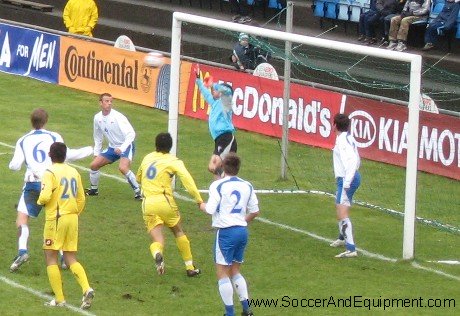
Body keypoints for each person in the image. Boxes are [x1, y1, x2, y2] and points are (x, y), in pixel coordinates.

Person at [8, 108, 92, 272]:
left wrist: (21, 164)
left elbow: (15, 165)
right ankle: (62, 257)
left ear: (31, 121)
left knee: (22, 219)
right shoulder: (54, 137)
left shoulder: (23, 140)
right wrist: (90, 150)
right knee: (57, 219)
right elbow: (68, 155)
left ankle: (22, 251)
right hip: (53, 182)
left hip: (33, 184)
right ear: (46, 121)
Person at [199, 153, 260, 316]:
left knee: (222, 272)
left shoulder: (218, 185)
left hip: (226, 233)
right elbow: (255, 211)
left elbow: (210, 209)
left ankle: (229, 313)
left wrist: (202, 205)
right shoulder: (247, 185)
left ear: (223, 167)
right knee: (235, 270)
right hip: (242, 231)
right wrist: (242, 221)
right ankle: (247, 310)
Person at [136, 132, 203, 277]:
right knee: (178, 230)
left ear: (156, 145)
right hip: (165, 201)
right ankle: (190, 267)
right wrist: (198, 199)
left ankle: (157, 253)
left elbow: (138, 178)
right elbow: (187, 179)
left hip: (148, 203)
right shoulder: (173, 161)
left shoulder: (147, 157)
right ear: (170, 147)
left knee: (158, 239)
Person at [37, 142, 94, 309]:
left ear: (50, 155)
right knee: (70, 257)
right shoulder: (74, 171)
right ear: (65, 155)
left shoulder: (50, 172)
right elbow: (82, 198)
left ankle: (60, 299)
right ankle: (86, 288)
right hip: (72, 217)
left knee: (50, 256)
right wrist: (75, 212)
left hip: (56, 218)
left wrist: (39, 201)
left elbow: (46, 195)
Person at [86, 93, 142, 199]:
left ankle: (138, 191)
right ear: (100, 103)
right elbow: (97, 137)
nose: (109, 103)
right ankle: (94, 190)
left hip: (126, 146)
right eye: (106, 101)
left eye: (111, 101)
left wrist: (122, 148)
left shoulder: (118, 117)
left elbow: (131, 134)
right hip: (112, 147)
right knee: (94, 165)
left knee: (123, 167)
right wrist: (96, 153)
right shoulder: (97, 118)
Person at [195, 66, 237, 179]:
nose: (213, 91)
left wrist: (214, 84)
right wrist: (198, 78)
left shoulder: (226, 101)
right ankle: (219, 191)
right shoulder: (215, 103)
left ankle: (226, 181)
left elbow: (228, 90)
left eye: (216, 90)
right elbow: (205, 92)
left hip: (226, 138)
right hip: (219, 140)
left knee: (215, 166)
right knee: (213, 168)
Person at [329, 113, 361, 258]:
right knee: (339, 206)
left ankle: (351, 248)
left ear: (335, 125)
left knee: (342, 212)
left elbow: (353, 160)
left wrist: (347, 182)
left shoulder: (343, 141)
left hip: (348, 179)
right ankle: (342, 238)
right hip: (347, 178)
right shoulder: (347, 138)